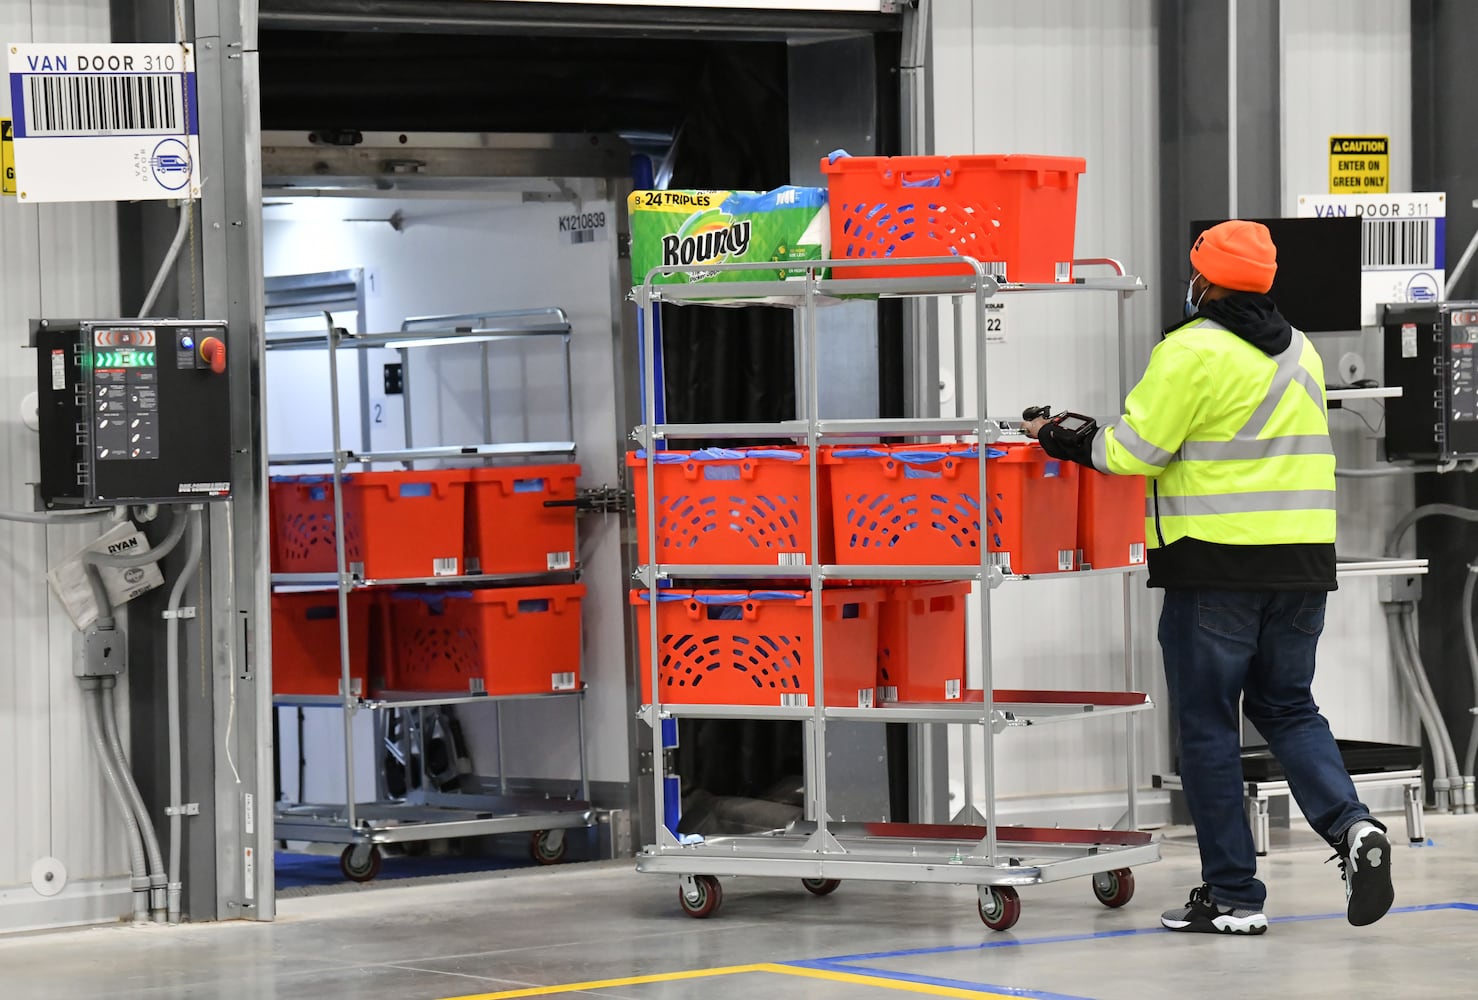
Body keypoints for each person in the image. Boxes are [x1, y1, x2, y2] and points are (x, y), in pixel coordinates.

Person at [1023, 219, 1394, 936]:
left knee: (1209, 728)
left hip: (1216, 568)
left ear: (1205, 280)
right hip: (1302, 568)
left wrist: (1063, 436)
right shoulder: (1302, 350)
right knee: (1289, 709)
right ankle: (1353, 826)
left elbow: (1134, 452)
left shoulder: (1189, 350)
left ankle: (1233, 896)